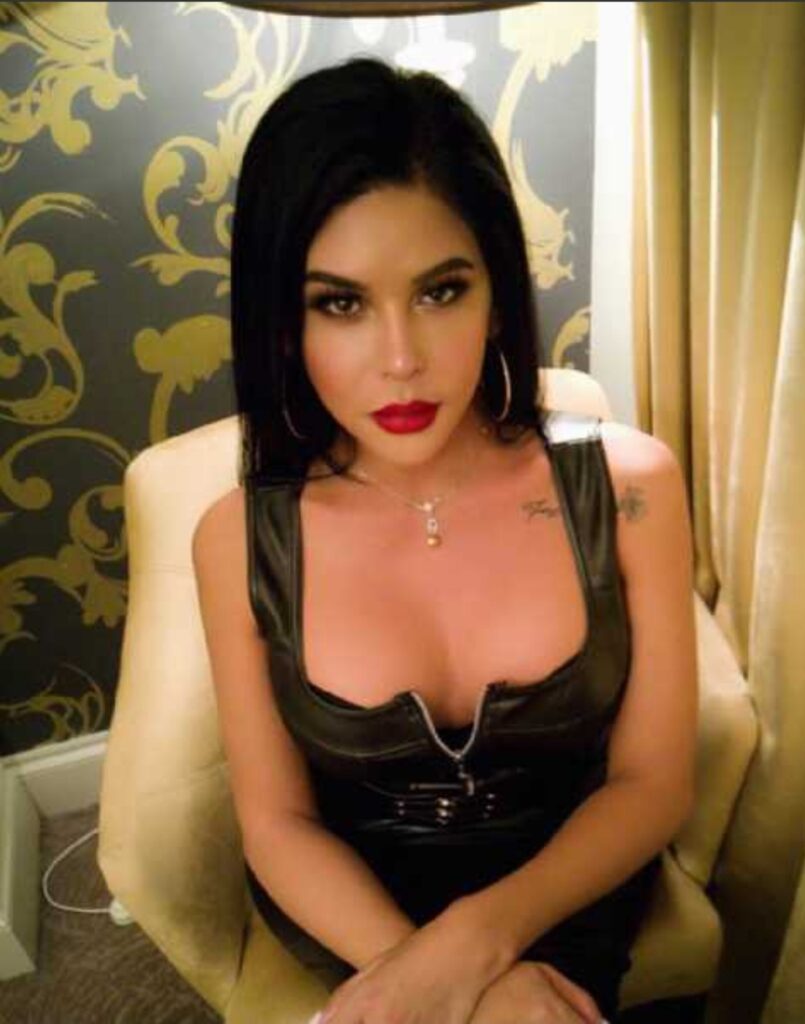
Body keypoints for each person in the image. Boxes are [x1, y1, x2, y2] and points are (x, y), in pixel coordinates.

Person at [191, 56, 698, 1024]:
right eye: (340, 302)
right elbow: (278, 822)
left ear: (497, 294)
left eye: (440, 291)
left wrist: (478, 943)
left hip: (568, 888)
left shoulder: (630, 489)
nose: (401, 360)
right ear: (282, 322)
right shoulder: (239, 541)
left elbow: (653, 782)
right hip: (353, 911)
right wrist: (430, 976)